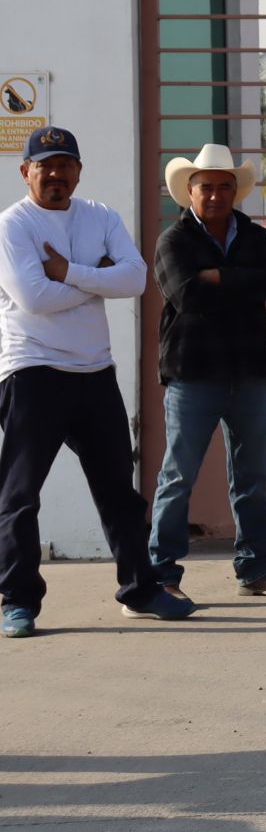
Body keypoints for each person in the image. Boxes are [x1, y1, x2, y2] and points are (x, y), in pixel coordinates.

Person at [0, 127, 193, 636]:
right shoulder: (13, 225)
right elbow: (33, 298)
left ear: (79, 171)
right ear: (26, 172)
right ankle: (18, 602)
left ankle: (141, 590)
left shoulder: (100, 215)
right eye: (45, 165)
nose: (56, 174)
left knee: (119, 493)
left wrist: (67, 271)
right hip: (32, 371)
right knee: (20, 496)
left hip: (94, 371)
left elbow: (135, 279)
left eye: (65, 164)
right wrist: (94, 277)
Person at [147, 145, 266, 600]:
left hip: (248, 371)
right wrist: (242, 279)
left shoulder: (254, 234)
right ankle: (161, 575)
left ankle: (256, 569)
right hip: (192, 372)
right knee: (178, 477)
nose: (215, 195)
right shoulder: (173, 241)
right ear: (189, 192)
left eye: (224, 187)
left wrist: (219, 276)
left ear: (236, 191)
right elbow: (186, 295)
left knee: (251, 477)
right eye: (206, 187)